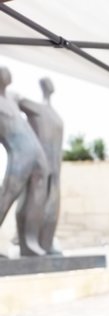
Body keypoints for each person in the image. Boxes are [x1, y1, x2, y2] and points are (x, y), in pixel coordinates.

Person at [0, 66, 48, 257]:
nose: (7, 73)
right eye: (3, 71)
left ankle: (28, 242)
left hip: (36, 153)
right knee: (7, 196)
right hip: (19, 154)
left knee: (35, 197)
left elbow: (38, 110)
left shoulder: (12, 97)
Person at [19, 77, 64, 255]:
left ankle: (47, 242)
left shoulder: (54, 113)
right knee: (34, 203)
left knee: (52, 206)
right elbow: (15, 101)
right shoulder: (36, 108)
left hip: (55, 166)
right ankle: (28, 242)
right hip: (39, 165)